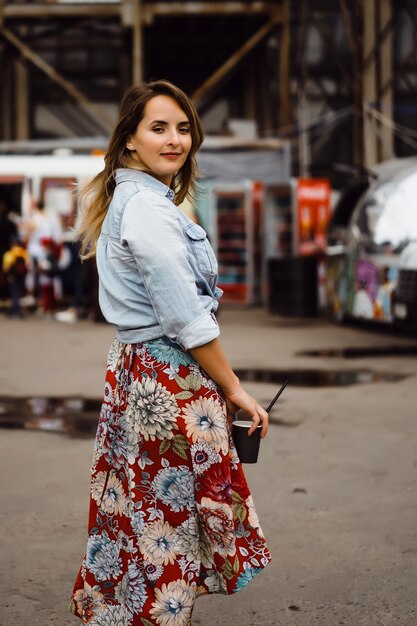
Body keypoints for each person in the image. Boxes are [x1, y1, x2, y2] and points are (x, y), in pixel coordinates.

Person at [70, 79, 271, 626]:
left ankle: (134, 610)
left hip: (140, 373)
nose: (175, 139)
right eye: (159, 128)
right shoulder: (149, 210)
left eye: (183, 128)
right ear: (130, 139)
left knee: (143, 509)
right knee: (169, 519)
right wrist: (233, 388)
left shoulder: (131, 198)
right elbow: (186, 317)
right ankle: (160, 614)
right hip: (167, 377)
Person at [2, 236, 30, 318]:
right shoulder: (24, 252)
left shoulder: (9, 253)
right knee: (18, 292)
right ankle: (17, 309)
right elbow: (28, 265)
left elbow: (5, 267)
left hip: (12, 276)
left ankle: (15, 309)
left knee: (14, 292)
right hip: (21, 276)